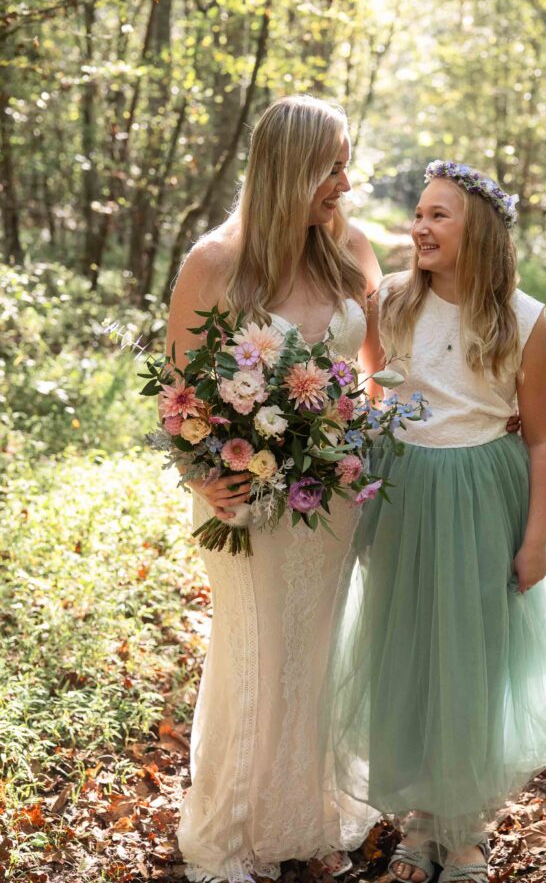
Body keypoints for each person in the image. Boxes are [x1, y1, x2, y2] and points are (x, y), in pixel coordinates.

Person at [324, 161, 546, 883]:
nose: (419, 226)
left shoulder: (521, 319)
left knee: (468, 658)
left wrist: (532, 538)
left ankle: (463, 825)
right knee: (408, 647)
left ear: (481, 233)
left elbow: (540, 438)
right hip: (406, 491)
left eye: (439, 215)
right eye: (417, 212)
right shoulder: (395, 302)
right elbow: (378, 395)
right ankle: (417, 815)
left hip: (480, 495)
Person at [164, 95, 384, 882]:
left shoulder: (350, 248)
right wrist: (206, 475)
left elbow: (378, 375)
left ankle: (309, 817)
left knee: (318, 648)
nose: (346, 182)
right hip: (242, 496)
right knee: (257, 647)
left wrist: (365, 448)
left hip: (331, 494)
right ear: (290, 168)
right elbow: (179, 393)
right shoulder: (215, 263)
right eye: (332, 166)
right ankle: (236, 828)